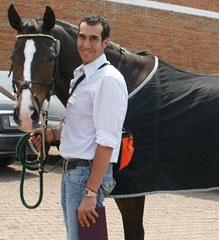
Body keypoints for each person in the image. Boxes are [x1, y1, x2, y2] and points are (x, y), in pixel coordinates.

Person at [31, 15, 128, 240]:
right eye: (82, 37)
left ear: (105, 43)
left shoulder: (107, 80)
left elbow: (107, 141)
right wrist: (52, 134)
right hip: (73, 174)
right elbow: (83, 125)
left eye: (93, 39)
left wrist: (91, 192)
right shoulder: (82, 76)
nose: (86, 44)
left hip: (86, 176)